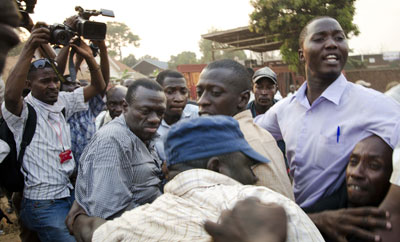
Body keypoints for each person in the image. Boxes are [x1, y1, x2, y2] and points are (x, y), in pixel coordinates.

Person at [254, 16, 399, 240]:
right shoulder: (284, 110)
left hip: (342, 228)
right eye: (320, 38)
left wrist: (393, 206)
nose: (332, 44)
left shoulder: (374, 105)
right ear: (301, 53)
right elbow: (248, 133)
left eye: (339, 38)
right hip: (299, 223)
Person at [70, 116, 324, 242]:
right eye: (248, 166)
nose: (254, 176)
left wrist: (78, 217)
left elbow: (93, 230)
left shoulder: (127, 226)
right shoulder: (269, 207)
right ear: (218, 167)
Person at [2, 21, 105, 241]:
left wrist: (88, 57)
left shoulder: (61, 102)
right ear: (28, 84)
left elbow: (98, 87)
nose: (52, 86)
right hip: (42, 203)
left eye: (54, 81)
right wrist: (30, 45)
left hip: (68, 194)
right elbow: (11, 95)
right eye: (44, 82)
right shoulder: (23, 111)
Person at [196, 59, 294, 200]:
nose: (201, 101)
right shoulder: (258, 133)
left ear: (243, 99)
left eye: (215, 93)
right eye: (200, 93)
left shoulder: (233, 142)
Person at [71, 78, 166, 221]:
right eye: (146, 111)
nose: (155, 119)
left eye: (160, 112)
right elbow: (109, 212)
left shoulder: (141, 133)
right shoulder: (112, 141)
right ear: (125, 107)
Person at [58, 39, 109, 164]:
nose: (76, 87)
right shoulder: (57, 110)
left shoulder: (89, 107)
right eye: (70, 84)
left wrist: (103, 49)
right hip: (65, 175)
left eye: (78, 84)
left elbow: (102, 83)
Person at [154, 70, 198, 161]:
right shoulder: (149, 125)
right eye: (170, 92)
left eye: (183, 92)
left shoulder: (198, 115)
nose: (179, 99)